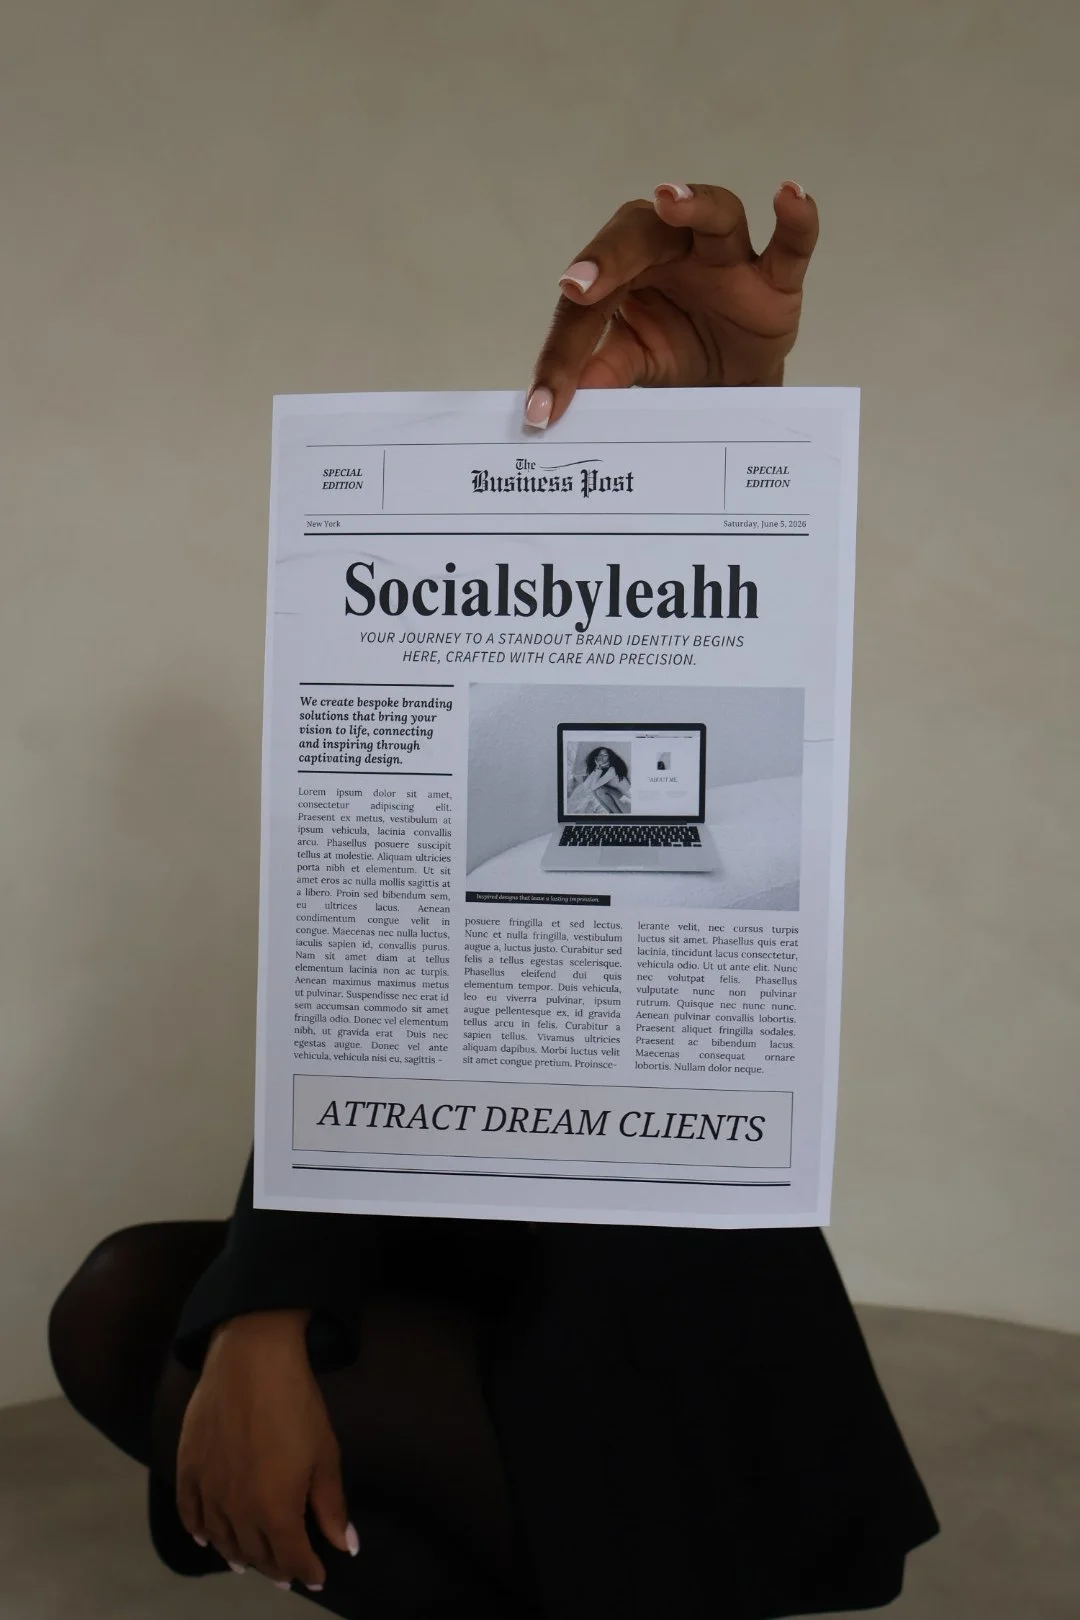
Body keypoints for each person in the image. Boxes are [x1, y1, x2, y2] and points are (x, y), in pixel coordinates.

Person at [49, 181, 939, 1620]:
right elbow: (397, 967)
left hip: (661, 1324)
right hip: (462, 1246)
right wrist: (268, 1306)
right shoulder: (464, 763)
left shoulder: (720, 795)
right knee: (132, 1311)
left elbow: (647, 796)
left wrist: (708, 445)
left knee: (169, 1337)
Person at [566, 745, 631, 814]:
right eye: (600, 755)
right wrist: (597, 768)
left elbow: (593, 787)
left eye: (605, 755)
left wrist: (598, 769)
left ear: (610, 757)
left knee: (600, 790)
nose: (602, 757)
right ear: (596, 757)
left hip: (628, 802)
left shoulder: (612, 769)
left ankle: (616, 814)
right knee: (596, 791)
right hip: (621, 802)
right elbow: (587, 785)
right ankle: (612, 813)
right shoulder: (601, 769)